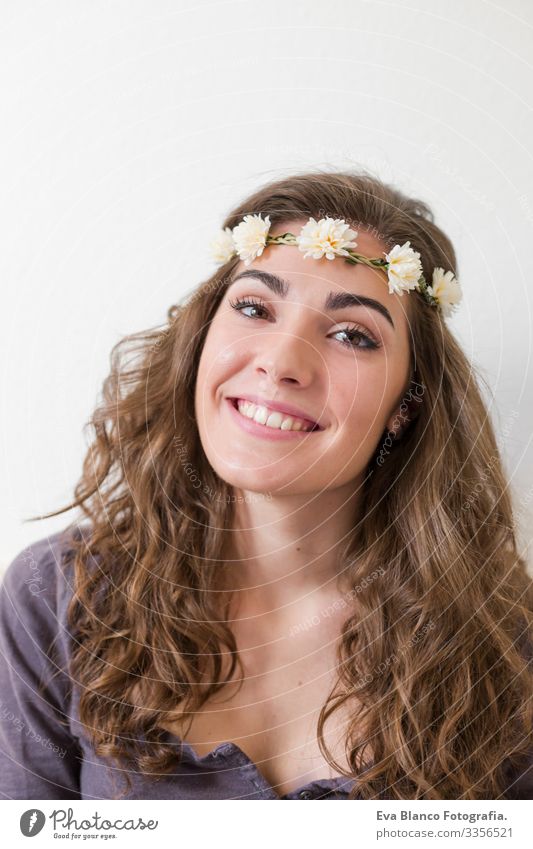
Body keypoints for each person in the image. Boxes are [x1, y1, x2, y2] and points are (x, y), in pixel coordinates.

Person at [1, 170, 532, 801]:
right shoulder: (61, 596)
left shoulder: (503, 643)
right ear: (201, 341)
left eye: (352, 335)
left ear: (406, 405)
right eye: (254, 308)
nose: (281, 362)